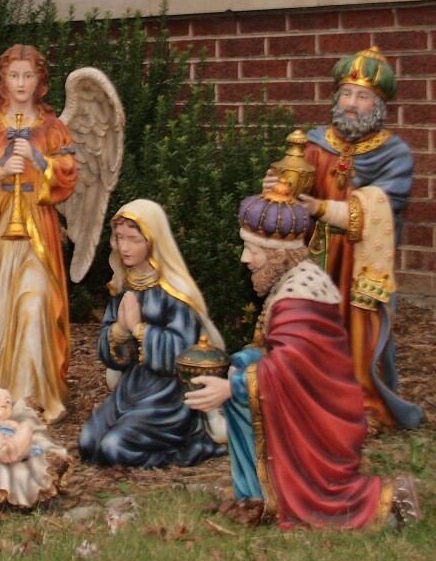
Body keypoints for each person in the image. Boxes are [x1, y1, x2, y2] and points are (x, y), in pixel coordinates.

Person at [184, 185, 421, 529]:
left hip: (319, 417)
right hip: (304, 401)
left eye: (252, 250)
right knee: (244, 375)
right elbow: (273, 353)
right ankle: (258, 493)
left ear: (278, 255)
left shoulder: (299, 301)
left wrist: (230, 387)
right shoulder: (289, 286)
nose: (245, 259)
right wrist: (239, 364)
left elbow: (289, 367)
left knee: (244, 393)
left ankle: (387, 500)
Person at [264, 47, 421, 430]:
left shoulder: (394, 154)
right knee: (308, 323)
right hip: (314, 257)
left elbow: (385, 205)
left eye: (362, 96)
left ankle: (358, 402)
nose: (351, 103)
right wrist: (277, 187)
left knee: (359, 332)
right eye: (346, 93)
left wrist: (322, 208)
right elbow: (293, 187)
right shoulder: (315, 145)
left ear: (379, 105)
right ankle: (306, 395)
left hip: (361, 261)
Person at [0, 44, 78, 423]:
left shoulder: (53, 129)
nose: (21, 83)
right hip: (0, 233)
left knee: (35, 302)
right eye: (14, 75)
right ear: (3, 80)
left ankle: (29, 393)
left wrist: (38, 160)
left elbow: (67, 174)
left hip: (38, 234)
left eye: (29, 75)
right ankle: (0, 389)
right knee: (0, 308)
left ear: (40, 80)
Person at [79, 199, 227, 468]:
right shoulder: (122, 287)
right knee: (88, 443)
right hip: (132, 388)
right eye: (119, 237)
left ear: (153, 241)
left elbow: (182, 355)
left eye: (133, 239)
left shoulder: (175, 294)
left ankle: (180, 451)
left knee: (113, 448)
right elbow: (109, 353)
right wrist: (120, 331)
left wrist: (138, 329)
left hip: (170, 398)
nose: (124, 247)